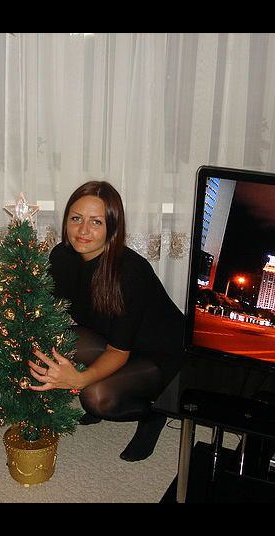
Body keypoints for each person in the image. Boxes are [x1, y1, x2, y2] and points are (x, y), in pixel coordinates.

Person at [28, 180, 185, 462]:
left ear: (112, 227)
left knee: (96, 398)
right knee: (61, 341)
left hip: (160, 356)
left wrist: (79, 379)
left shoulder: (130, 273)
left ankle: (154, 413)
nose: (83, 230)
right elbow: (50, 311)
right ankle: (110, 381)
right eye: (76, 218)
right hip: (113, 340)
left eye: (96, 222)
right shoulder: (61, 256)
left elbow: (118, 352)